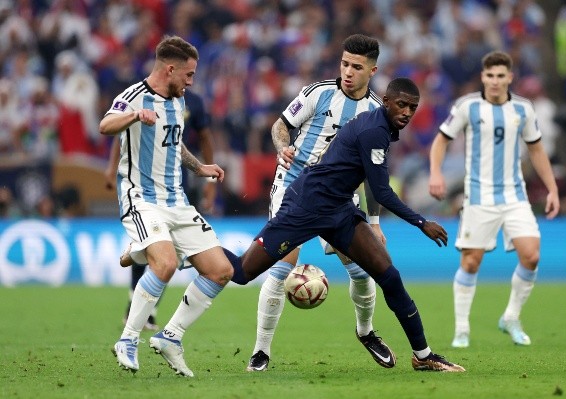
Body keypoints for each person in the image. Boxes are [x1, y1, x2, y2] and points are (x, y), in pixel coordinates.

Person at [157, 77, 465, 373]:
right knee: (241, 272)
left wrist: (372, 221)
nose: (407, 113)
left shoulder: (380, 127)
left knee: (389, 276)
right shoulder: (372, 130)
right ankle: (188, 248)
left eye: (413, 107)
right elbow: (383, 190)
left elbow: (374, 186)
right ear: (386, 102)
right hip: (305, 207)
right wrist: (422, 222)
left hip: (340, 211)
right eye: (402, 105)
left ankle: (422, 355)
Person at [246, 33, 393, 371]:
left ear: (372, 70)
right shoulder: (317, 93)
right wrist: (282, 146)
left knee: (361, 267)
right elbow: (281, 126)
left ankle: (366, 332)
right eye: (344, 64)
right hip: (294, 184)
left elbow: (374, 173)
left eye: (357, 66)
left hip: (339, 194)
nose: (348, 72)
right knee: (284, 259)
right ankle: (261, 351)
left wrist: (374, 223)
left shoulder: (374, 113)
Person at [99, 35, 232, 377]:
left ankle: (171, 336)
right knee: (166, 264)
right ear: (170, 69)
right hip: (142, 198)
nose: (191, 82)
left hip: (177, 200)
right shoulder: (133, 97)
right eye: (188, 75)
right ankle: (128, 339)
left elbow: (173, 145)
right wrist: (132, 117)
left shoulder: (177, 100)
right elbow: (105, 125)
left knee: (220, 271)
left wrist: (199, 167)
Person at [428, 50, 560, 348]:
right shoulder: (467, 107)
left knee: (532, 255)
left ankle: (511, 317)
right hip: (479, 197)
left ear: (510, 77)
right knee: (471, 262)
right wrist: (435, 172)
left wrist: (551, 188)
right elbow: (440, 140)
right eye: (490, 75)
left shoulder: (524, 110)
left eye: (501, 76)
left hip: (515, 195)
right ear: (483, 77)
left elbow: (537, 150)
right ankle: (462, 328)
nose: (495, 81)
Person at [104, 88, 216, 332]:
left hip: (177, 186)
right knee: (160, 253)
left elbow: (204, 139)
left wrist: (207, 179)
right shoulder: (140, 97)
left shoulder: (191, 102)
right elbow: (118, 134)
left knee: (168, 253)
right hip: (145, 186)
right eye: (188, 73)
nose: (190, 80)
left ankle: (148, 310)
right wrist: (112, 168)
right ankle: (136, 309)